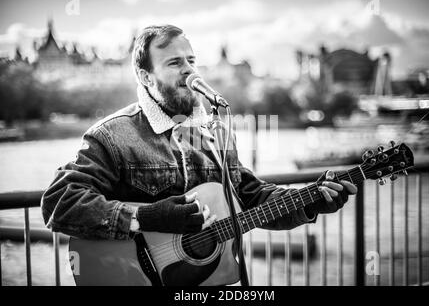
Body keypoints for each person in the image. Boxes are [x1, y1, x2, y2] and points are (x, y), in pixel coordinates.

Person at [41, 24, 357, 280]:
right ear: (145, 76)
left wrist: (311, 201)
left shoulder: (214, 131)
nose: (190, 71)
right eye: (175, 62)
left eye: (192, 61)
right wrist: (144, 218)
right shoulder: (113, 134)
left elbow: (250, 197)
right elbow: (59, 202)